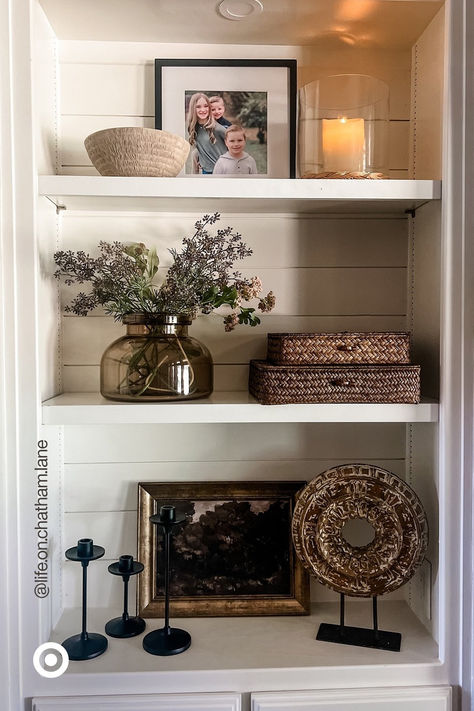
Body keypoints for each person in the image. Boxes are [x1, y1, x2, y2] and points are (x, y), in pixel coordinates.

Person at [186, 92, 227, 174]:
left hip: (221, 172)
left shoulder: (218, 129)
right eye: (198, 107)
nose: (203, 110)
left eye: (206, 106)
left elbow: (234, 148)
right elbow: (199, 147)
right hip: (206, 171)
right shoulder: (193, 127)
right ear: (193, 108)